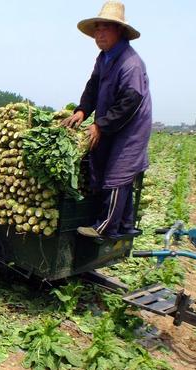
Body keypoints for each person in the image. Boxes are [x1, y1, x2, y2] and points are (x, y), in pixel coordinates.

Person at [62, 1, 152, 238]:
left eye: (105, 28)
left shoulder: (130, 63)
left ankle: (106, 226)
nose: (99, 34)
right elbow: (93, 86)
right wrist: (82, 110)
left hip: (130, 130)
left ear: (119, 31)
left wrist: (100, 125)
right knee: (104, 167)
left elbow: (129, 101)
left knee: (117, 173)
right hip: (113, 124)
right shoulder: (104, 57)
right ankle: (125, 223)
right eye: (97, 29)